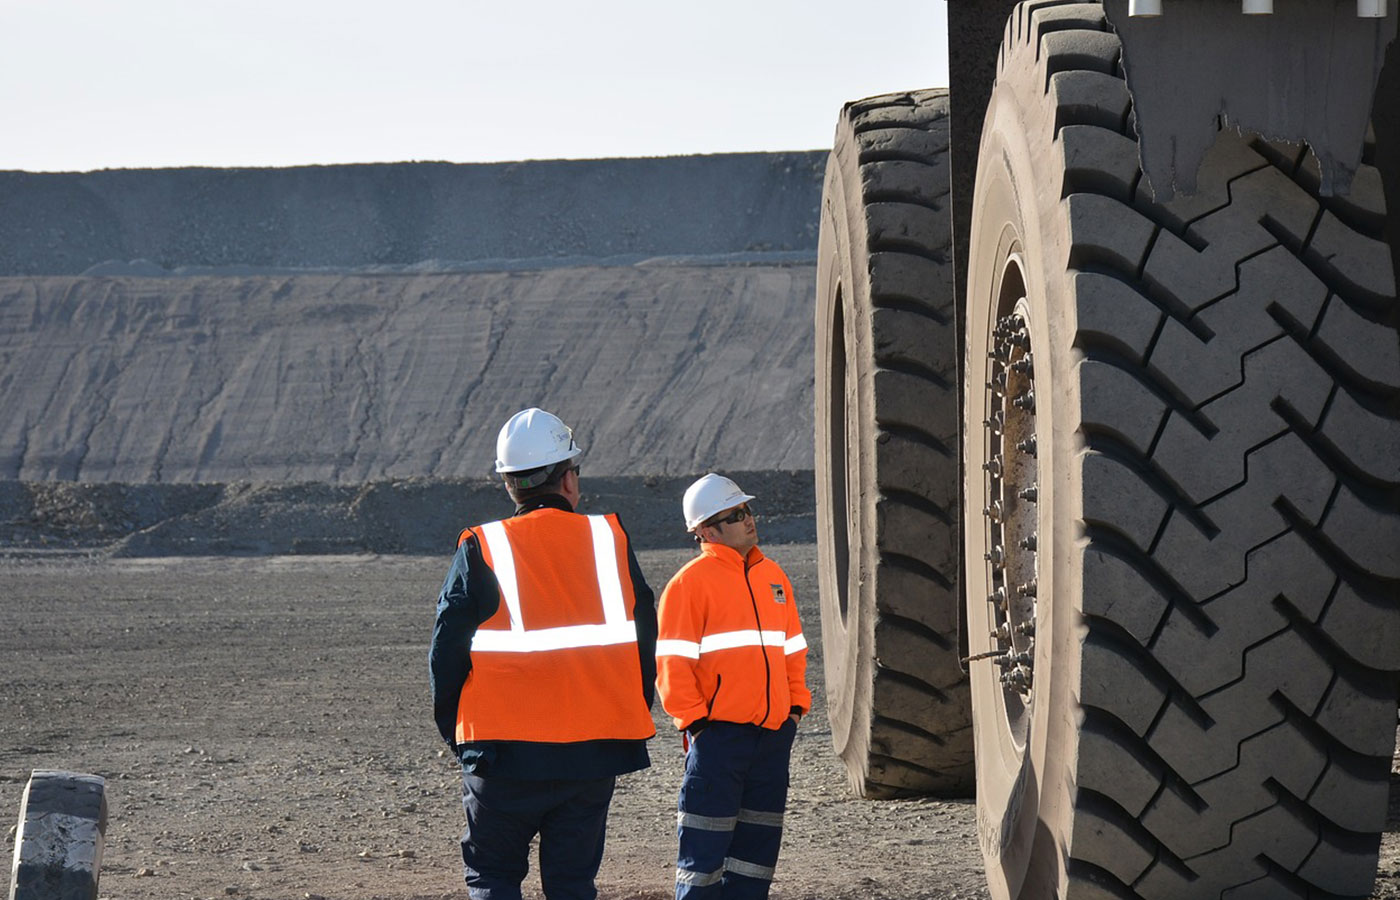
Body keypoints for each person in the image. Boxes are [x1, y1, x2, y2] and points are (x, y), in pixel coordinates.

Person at [428, 407, 657, 900]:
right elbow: (644, 632)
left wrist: (459, 732)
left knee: (492, 879)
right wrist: (627, 711)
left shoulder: (481, 545)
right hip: (593, 751)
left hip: (501, 754)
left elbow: (446, 649)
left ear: (510, 485)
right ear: (569, 479)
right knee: (573, 883)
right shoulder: (608, 540)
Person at [655, 473, 812, 898]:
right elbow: (672, 665)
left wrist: (794, 711)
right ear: (707, 530)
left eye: (747, 510)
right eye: (736, 514)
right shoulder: (688, 585)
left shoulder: (774, 577)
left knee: (755, 863)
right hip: (719, 741)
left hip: (772, 740)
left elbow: (793, 652)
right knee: (702, 862)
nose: (749, 519)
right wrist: (698, 724)